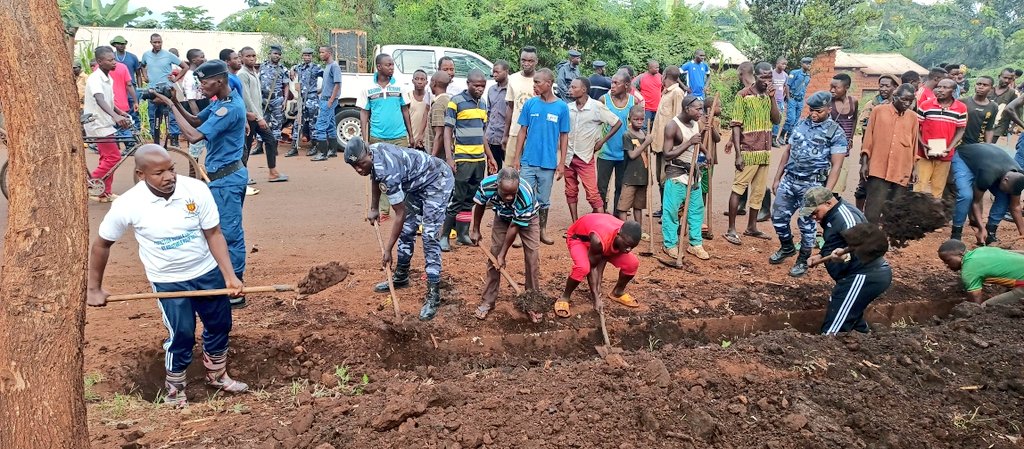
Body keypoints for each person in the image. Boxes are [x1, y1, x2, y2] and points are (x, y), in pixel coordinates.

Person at [87, 145, 248, 407]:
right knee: (182, 333)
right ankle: (175, 390)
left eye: (171, 169)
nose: (169, 176)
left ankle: (217, 375)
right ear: (141, 174)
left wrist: (229, 276)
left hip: (206, 272)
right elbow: (101, 244)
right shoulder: (128, 204)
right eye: (159, 172)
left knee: (220, 325)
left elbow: (214, 234)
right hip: (167, 280)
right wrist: (94, 288)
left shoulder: (195, 190)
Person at [150, 59, 249, 309]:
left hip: (227, 179)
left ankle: (235, 290)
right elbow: (195, 121)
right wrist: (176, 101)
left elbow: (193, 136)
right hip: (220, 178)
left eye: (204, 83)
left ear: (219, 81)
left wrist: (171, 105)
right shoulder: (221, 102)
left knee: (229, 234)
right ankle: (226, 281)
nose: (201, 87)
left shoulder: (231, 108)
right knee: (218, 231)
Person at [344, 137, 455, 321]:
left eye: (361, 164)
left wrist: (388, 250)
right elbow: (375, 176)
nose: (358, 169)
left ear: (369, 155)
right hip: (416, 183)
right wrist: (374, 208)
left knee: (428, 235)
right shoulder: (373, 154)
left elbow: (399, 214)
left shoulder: (388, 170)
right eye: (354, 166)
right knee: (408, 230)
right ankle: (401, 276)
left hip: (437, 181)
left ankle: (434, 294)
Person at [769, 91, 848, 277]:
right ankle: (787, 247)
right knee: (778, 218)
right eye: (811, 110)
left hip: (812, 185)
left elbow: (836, 166)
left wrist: (826, 193)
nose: (813, 114)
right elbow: (787, 151)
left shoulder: (835, 132)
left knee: (806, 225)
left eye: (818, 111)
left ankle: (803, 259)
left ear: (829, 109)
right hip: (790, 180)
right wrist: (777, 177)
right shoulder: (800, 123)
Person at [799, 187, 891, 334]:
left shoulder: (846, 217)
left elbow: (862, 246)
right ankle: (864, 339)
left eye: (815, 212)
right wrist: (821, 254)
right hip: (854, 276)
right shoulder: (832, 216)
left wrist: (845, 257)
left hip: (863, 275)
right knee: (851, 319)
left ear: (828, 203)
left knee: (833, 332)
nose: (813, 218)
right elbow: (838, 241)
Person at [468, 167, 542, 321]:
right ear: (497, 185)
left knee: (532, 258)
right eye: (505, 193)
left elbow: (515, 226)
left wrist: (503, 255)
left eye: (512, 194)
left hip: (528, 218)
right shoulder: (487, 185)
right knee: (494, 257)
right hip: (502, 216)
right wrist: (475, 229)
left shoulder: (524, 195)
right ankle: (488, 300)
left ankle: (532, 302)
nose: (509, 197)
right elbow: (480, 205)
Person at [724, 62, 781, 245]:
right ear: (755, 76)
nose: (767, 80)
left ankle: (752, 227)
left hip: (764, 151)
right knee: (738, 188)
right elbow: (736, 126)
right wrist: (738, 154)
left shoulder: (767, 96)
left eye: (769, 77)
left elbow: (776, 119)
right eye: (763, 77)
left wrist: (772, 98)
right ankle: (731, 229)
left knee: (757, 192)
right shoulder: (743, 96)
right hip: (748, 150)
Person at [511, 68, 569, 245]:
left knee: (543, 199)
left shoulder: (561, 107)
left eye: (538, 82)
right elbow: (522, 131)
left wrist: (562, 163)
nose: (534, 85)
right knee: (524, 196)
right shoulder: (530, 104)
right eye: (534, 82)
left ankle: (542, 231)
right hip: (528, 161)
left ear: (549, 83)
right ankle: (522, 233)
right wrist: (516, 158)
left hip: (548, 163)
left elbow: (564, 135)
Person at [440, 69, 496, 250]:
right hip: (463, 158)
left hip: (479, 159)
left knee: (471, 198)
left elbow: (483, 134)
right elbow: (448, 130)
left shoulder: (483, 104)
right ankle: (444, 236)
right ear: (468, 84)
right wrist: (450, 157)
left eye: (483, 86)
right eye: (476, 85)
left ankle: (463, 234)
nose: (480, 89)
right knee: (457, 197)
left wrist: (490, 157)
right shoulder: (455, 102)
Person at [660, 95, 718, 260]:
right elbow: (667, 154)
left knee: (696, 210)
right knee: (671, 211)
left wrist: (706, 153)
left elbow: (697, 142)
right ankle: (670, 244)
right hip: (677, 175)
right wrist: (689, 143)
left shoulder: (694, 123)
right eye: (698, 109)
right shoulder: (672, 126)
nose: (701, 112)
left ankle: (695, 244)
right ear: (687, 109)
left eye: (702, 108)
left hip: (693, 175)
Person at [358, 53, 414, 220]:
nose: (391, 68)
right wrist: (364, 137)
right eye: (388, 65)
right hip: (377, 137)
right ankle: (383, 210)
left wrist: (410, 135)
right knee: (379, 174)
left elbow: (405, 111)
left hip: (398, 136)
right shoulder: (367, 89)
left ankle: (404, 208)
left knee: (404, 172)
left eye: (392, 65)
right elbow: (364, 113)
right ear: (379, 67)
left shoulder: (400, 87)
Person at [556, 214, 642, 318]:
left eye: (632, 247)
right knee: (583, 268)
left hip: (604, 241)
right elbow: (593, 267)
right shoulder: (599, 240)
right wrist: (596, 298)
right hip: (579, 239)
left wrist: (598, 286)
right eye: (627, 245)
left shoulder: (625, 236)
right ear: (618, 234)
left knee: (632, 263)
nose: (629, 250)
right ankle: (565, 297)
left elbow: (603, 257)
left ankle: (617, 292)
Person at [860, 84, 919, 223]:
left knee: (894, 210)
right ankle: (869, 239)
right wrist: (864, 163)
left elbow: (914, 143)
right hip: (878, 168)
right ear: (895, 97)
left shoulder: (913, 117)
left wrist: (915, 168)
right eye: (904, 100)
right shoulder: (878, 111)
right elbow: (868, 139)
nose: (907, 104)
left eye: (910, 101)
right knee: (873, 209)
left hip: (901, 168)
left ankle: (888, 241)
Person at [566, 77, 621, 221]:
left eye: (573, 87)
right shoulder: (569, 108)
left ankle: (601, 227)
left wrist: (602, 141)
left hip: (585, 156)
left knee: (592, 193)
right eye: (570, 87)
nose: (570, 90)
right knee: (570, 191)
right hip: (569, 156)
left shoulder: (596, 107)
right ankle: (575, 223)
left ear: (584, 89)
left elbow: (617, 122)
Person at [949, 143, 1024, 244]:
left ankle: (990, 233)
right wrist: (980, 227)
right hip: (965, 159)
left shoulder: (1018, 177)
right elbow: (976, 202)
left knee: (1005, 197)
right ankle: (956, 234)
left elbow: (1015, 206)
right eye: (1007, 189)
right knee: (966, 195)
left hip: (987, 162)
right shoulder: (988, 175)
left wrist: (1022, 231)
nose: (1006, 191)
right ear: (1005, 180)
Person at [84, 46, 132, 202]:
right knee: (113, 157)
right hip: (97, 123)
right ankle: (88, 184)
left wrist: (119, 112)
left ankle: (104, 193)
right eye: (110, 60)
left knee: (106, 158)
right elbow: (99, 99)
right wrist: (115, 117)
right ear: (99, 61)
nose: (114, 63)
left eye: (114, 59)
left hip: (106, 122)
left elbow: (109, 102)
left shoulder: (108, 78)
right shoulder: (95, 78)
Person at [915, 78, 966, 198]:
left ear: (953, 91)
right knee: (919, 187)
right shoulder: (926, 105)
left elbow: (961, 129)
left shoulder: (961, 108)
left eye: (945, 87)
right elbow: (916, 127)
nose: (940, 90)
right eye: (939, 87)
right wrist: (922, 143)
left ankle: (932, 215)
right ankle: (916, 214)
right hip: (924, 153)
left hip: (945, 155)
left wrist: (950, 147)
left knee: (938, 189)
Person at [236, 47, 281, 184]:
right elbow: (247, 98)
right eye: (248, 56)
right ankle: (243, 176)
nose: (251, 58)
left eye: (253, 56)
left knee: (271, 140)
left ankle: (273, 172)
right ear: (241, 57)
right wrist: (259, 117)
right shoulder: (242, 74)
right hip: (250, 117)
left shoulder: (254, 72)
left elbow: (257, 97)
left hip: (258, 115)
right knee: (246, 147)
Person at [598, 72, 639, 212]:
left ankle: (616, 218)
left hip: (625, 153)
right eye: (612, 82)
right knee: (601, 188)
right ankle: (601, 216)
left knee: (621, 188)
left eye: (616, 83)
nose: (612, 86)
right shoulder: (603, 100)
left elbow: (637, 127)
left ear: (626, 85)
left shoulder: (633, 102)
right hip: (605, 152)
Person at [938, 239, 1024, 306]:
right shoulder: (982, 250)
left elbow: (975, 300)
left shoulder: (969, 270)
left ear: (960, 254)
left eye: (947, 260)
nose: (947, 265)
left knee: (985, 307)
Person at [140, 33, 189, 146]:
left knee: (171, 115)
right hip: (152, 90)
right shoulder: (146, 55)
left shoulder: (168, 55)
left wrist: (175, 79)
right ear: (151, 42)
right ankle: (155, 140)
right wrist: (145, 76)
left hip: (167, 89)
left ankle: (174, 139)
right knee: (153, 115)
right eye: (155, 42)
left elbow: (185, 67)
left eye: (159, 42)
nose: (157, 44)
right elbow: (142, 66)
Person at [650, 66, 686, 214]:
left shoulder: (677, 93)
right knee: (660, 178)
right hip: (659, 145)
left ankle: (670, 210)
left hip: (669, 146)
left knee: (668, 178)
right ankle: (664, 208)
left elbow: (678, 120)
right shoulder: (665, 93)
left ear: (664, 75)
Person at [617, 106, 654, 229]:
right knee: (624, 206)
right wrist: (645, 143)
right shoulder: (627, 135)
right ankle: (625, 230)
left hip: (642, 177)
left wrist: (648, 142)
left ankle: (638, 230)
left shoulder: (644, 134)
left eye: (641, 119)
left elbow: (647, 154)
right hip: (630, 177)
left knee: (639, 206)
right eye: (635, 119)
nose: (639, 121)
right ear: (630, 119)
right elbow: (632, 155)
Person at [503, 46, 539, 168]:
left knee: (530, 169)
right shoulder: (513, 79)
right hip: (515, 131)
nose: (526, 63)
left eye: (530, 61)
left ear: (536, 62)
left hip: (534, 133)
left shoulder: (541, 79)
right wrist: (505, 134)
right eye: (523, 60)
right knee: (509, 169)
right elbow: (510, 107)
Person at [310, 46, 343, 162]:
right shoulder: (327, 67)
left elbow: (337, 84)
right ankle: (332, 151)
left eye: (322, 52)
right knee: (330, 125)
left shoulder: (334, 66)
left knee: (320, 125)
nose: (320, 54)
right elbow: (328, 85)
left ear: (329, 53)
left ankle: (322, 153)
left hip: (328, 100)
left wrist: (330, 100)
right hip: (325, 98)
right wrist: (319, 91)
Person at [287, 48, 322, 156]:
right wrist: (292, 70)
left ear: (312, 57)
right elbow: (292, 69)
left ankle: (314, 147)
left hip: (312, 99)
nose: (307, 57)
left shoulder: (317, 68)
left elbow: (327, 77)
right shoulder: (299, 67)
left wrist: (321, 90)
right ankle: (294, 148)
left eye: (309, 56)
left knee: (313, 124)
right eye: (305, 55)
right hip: (301, 100)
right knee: (297, 123)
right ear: (302, 56)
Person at [827, 73, 858, 196]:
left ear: (846, 87)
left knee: (838, 182)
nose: (832, 90)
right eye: (831, 87)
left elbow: (854, 119)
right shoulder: (828, 102)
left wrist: (850, 137)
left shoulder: (853, 102)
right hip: (828, 147)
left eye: (836, 87)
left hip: (844, 149)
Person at [257, 45, 289, 148]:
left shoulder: (283, 69)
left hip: (277, 99)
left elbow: (286, 86)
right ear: (269, 54)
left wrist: (285, 100)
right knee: (262, 122)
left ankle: (273, 148)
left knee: (277, 124)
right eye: (275, 54)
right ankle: (259, 146)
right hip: (263, 99)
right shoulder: (262, 66)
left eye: (279, 54)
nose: (277, 56)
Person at [110, 35, 141, 130]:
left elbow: (138, 74)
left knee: (134, 114)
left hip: (131, 90)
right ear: (114, 45)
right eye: (119, 44)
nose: (121, 45)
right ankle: (122, 136)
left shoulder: (132, 57)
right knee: (119, 113)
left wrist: (139, 89)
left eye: (123, 43)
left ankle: (135, 135)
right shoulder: (111, 58)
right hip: (117, 90)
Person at [781, 57, 812, 145]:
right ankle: (781, 135)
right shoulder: (794, 73)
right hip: (792, 99)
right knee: (791, 119)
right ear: (802, 64)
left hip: (800, 100)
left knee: (796, 121)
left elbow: (804, 88)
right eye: (807, 64)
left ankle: (789, 138)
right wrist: (788, 97)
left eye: (810, 64)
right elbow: (787, 85)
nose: (809, 65)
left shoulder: (808, 76)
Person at [486, 60, 510, 169]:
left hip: (506, 136)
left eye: (497, 72)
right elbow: (489, 112)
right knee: (494, 169)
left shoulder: (511, 89)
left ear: (506, 71)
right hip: (492, 136)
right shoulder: (491, 90)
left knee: (511, 169)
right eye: (493, 72)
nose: (494, 74)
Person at [426, 71, 451, 160]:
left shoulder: (438, 105)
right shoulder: (449, 100)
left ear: (434, 83)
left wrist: (432, 158)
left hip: (439, 156)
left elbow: (439, 134)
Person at [989, 68, 1019, 144]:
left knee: (988, 146)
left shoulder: (1013, 93)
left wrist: (1013, 126)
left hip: (999, 125)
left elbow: (1015, 110)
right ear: (999, 76)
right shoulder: (989, 89)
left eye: (1010, 79)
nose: (1007, 81)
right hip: (983, 121)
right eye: (1005, 78)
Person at [634, 59, 662, 129]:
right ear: (649, 68)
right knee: (644, 127)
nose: (658, 69)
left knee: (656, 127)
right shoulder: (642, 77)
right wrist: (638, 93)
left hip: (658, 107)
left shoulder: (660, 76)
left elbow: (666, 86)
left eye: (658, 67)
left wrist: (662, 94)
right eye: (656, 67)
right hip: (646, 108)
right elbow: (631, 85)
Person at [409, 69, 430, 151]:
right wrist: (411, 136)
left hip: (425, 141)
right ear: (412, 81)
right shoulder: (408, 96)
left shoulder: (429, 97)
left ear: (426, 82)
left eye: (422, 79)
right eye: (416, 79)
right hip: (411, 139)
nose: (419, 81)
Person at [770, 57, 789, 146]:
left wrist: (785, 97)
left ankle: (774, 139)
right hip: (770, 101)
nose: (784, 66)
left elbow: (786, 86)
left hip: (780, 101)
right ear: (777, 64)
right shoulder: (771, 74)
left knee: (778, 120)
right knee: (768, 119)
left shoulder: (785, 75)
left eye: (785, 64)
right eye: (782, 64)